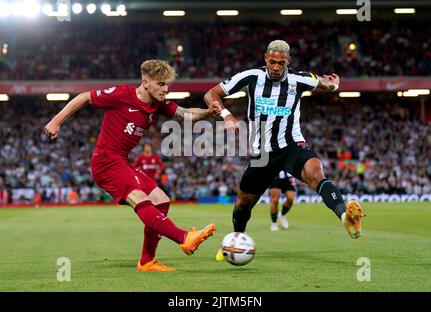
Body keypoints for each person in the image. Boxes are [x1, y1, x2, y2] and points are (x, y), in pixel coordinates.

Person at [45, 59, 218, 272]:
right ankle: (184, 237)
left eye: (167, 85)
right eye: (161, 84)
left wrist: (209, 112)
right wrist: (56, 121)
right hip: (106, 161)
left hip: (122, 161)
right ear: (145, 82)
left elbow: (186, 113)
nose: (166, 89)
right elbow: (84, 97)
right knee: (140, 198)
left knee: (161, 200)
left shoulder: (158, 104)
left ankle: (147, 261)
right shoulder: (122, 94)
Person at [205, 40, 365, 243]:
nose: (276, 67)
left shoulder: (299, 79)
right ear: (265, 58)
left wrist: (333, 86)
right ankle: (237, 240)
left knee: (316, 173)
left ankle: (345, 217)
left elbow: (323, 83)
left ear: (288, 61)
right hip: (262, 153)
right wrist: (227, 115)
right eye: (272, 62)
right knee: (244, 203)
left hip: (292, 145)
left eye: (281, 63)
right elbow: (211, 94)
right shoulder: (251, 76)